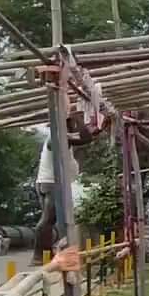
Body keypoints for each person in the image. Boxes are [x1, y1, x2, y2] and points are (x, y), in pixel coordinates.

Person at [33, 112, 99, 266]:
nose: (72, 127)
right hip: (51, 183)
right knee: (48, 219)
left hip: (50, 182)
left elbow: (87, 136)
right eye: (70, 124)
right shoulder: (57, 138)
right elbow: (86, 138)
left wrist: (90, 125)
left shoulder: (63, 138)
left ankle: (44, 254)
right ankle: (39, 255)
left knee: (51, 219)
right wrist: (78, 118)